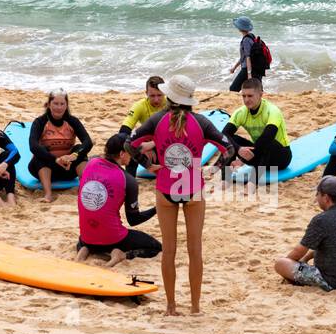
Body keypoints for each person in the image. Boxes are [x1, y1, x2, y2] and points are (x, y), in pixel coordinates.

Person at [129, 75, 230, 315]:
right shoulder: (202, 123)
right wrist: (213, 169)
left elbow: (129, 144)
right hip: (193, 188)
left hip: (166, 189)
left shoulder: (156, 120)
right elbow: (230, 148)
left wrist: (147, 164)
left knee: (170, 250)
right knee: (195, 250)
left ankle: (171, 306)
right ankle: (195, 307)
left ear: (169, 97)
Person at [75, 135, 162, 267]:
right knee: (156, 247)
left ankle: (85, 249)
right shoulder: (128, 180)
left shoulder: (90, 163)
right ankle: (122, 255)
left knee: (92, 235)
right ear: (122, 154)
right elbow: (134, 220)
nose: (133, 156)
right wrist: (157, 209)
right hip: (112, 238)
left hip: (86, 237)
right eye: (130, 152)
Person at [274, 176, 336, 291]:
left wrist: (289, 263)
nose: (316, 197)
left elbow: (298, 251)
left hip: (333, 282)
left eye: (318, 194)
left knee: (281, 263)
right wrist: (305, 259)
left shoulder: (322, 219)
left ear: (326, 198)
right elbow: (335, 245)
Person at [27, 88, 93, 203]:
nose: (59, 107)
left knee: (79, 150)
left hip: (68, 168)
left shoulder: (72, 121)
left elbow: (88, 142)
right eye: (55, 103)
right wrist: (56, 159)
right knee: (40, 151)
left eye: (62, 104)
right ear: (48, 104)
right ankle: (48, 194)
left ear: (66, 105)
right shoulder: (40, 122)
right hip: (46, 168)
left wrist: (73, 156)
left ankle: (84, 190)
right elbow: (33, 146)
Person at [219, 78, 293, 180]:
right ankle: (225, 177)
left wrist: (242, 160)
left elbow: (267, 137)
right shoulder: (241, 113)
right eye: (243, 96)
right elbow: (224, 135)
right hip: (259, 156)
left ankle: (253, 182)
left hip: (280, 158)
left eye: (250, 96)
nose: (246, 100)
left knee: (268, 141)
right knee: (231, 139)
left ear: (261, 95)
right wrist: (239, 149)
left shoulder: (272, 111)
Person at [117, 76, 167, 176]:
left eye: (159, 95)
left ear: (165, 92)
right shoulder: (139, 106)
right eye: (152, 96)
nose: (156, 100)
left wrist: (153, 144)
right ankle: (130, 179)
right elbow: (123, 131)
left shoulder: (171, 105)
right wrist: (141, 148)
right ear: (146, 93)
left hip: (168, 144)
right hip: (149, 146)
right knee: (129, 146)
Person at [227, 16, 272, 92]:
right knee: (258, 90)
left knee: (233, 88)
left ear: (240, 27)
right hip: (256, 68)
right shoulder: (251, 36)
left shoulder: (246, 40)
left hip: (248, 69)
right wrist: (234, 68)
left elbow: (248, 57)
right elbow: (243, 57)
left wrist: (249, 73)